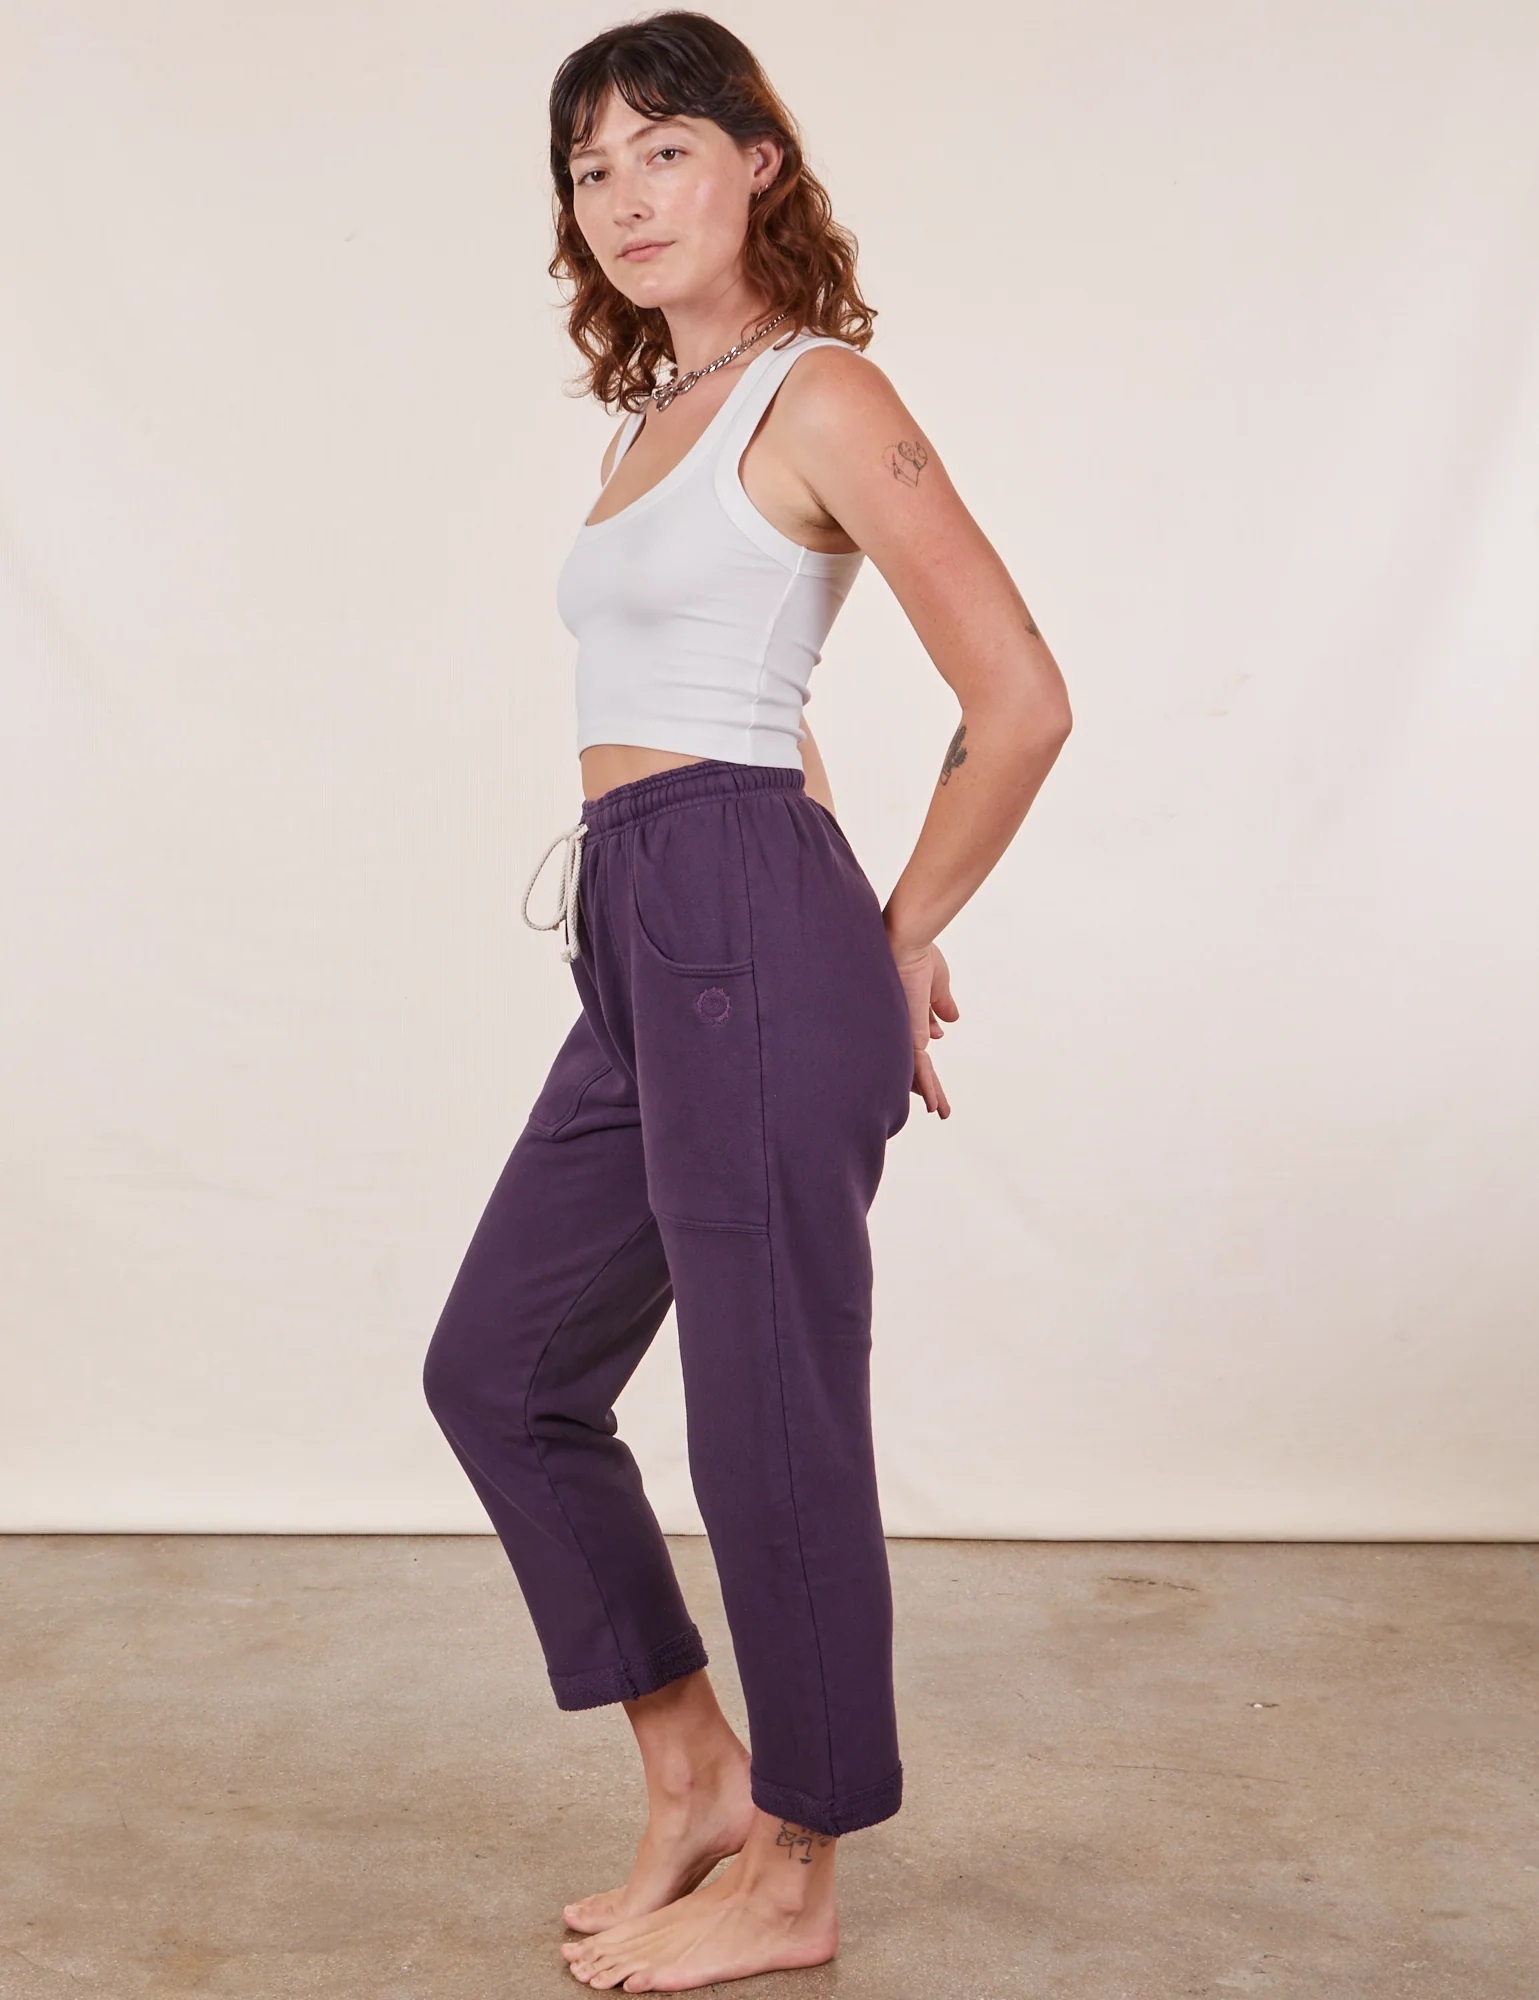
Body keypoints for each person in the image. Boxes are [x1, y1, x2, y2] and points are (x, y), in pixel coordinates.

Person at [422, 10, 1072, 1990]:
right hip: (649, 921)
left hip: (746, 928)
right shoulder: (657, 418)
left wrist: (887, 932)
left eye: (664, 151)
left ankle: (798, 1868)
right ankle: (694, 1765)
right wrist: (828, 895)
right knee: (503, 1370)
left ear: (756, 162)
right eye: (589, 168)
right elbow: (754, 702)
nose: (623, 197)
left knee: (766, 1411)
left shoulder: (820, 393)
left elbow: (1021, 700)